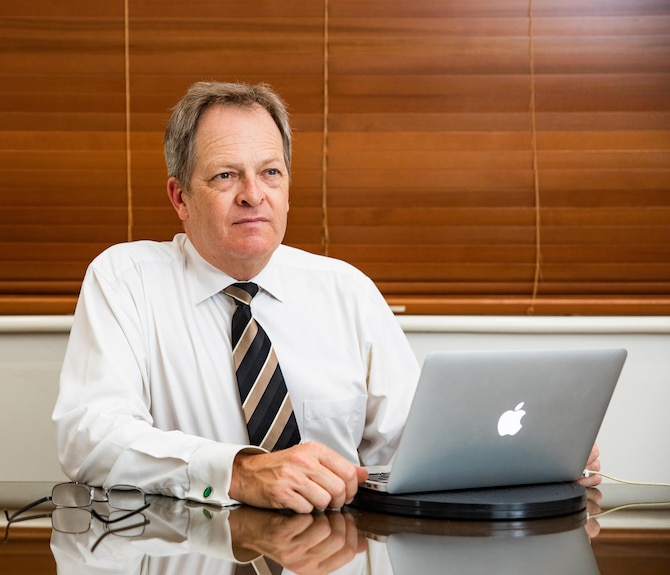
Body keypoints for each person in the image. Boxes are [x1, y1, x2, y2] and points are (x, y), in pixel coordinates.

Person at [52, 81, 601, 514]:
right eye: (225, 175)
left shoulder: (347, 289)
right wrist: (237, 472)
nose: (253, 194)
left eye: (271, 172)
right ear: (180, 196)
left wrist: (522, 461)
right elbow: (89, 437)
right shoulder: (124, 279)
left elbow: (412, 452)